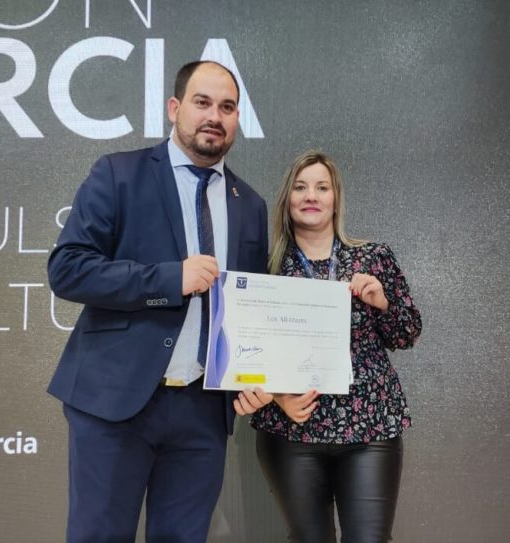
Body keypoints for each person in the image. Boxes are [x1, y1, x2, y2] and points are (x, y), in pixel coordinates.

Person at [47, 60, 272, 543]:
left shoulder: (250, 204)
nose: (214, 116)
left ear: (237, 119)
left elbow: (248, 309)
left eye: (227, 107)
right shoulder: (119, 173)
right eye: (202, 102)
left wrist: (253, 379)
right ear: (174, 108)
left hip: (203, 411)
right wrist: (171, 278)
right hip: (115, 402)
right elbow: (68, 269)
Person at [250, 151, 422, 543]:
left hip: (369, 428)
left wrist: (382, 303)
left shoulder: (373, 258)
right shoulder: (267, 267)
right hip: (292, 429)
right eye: (300, 187)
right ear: (287, 199)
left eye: (322, 188)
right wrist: (277, 395)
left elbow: (407, 333)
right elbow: (249, 348)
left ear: (336, 198)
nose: (311, 196)